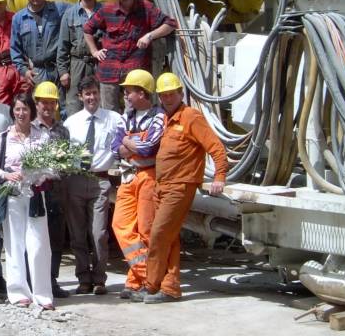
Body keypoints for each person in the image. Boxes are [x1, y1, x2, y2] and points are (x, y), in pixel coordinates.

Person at [133, 72, 228, 304]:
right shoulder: (165, 118)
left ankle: (152, 286)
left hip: (180, 188)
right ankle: (170, 287)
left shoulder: (190, 117)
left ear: (180, 94)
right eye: (163, 95)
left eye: (171, 94)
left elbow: (216, 147)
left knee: (158, 235)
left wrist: (220, 177)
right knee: (170, 238)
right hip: (162, 187)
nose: (167, 98)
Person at [0, 93, 54, 310]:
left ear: (31, 111)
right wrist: (6, 176)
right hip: (13, 195)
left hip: (35, 196)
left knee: (38, 245)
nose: (21, 113)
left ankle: (43, 295)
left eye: (25, 109)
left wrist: (36, 176)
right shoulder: (3, 138)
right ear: (12, 112)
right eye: (17, 109)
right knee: (14, 244)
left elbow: (51, 167)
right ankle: (17, 293)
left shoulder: (42, 137)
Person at [62, 76, 125, 295]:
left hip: (100, 180)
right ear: (80, 97)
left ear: (99, 94)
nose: (92, 97)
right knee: (78, 234)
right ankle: (83, 279)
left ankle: (99, 278)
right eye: (87, 94)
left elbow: (123, 144)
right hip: (76, 180)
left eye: (95, 93)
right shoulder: (71, 123)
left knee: (98, 233)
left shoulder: (114, 119)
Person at [82, 0, 177, 112]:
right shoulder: (107, 10)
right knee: (108, 113)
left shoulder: (146, 8)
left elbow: (170, 24)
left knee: (134, 111)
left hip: (135, 72)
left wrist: (150, 35)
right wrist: (94, 51)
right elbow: (87, 29)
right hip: (109, 71)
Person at [110, 69, 165, 298]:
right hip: (128, 175)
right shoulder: (127, 116)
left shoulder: (159, 116)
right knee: (120, 225)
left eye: (129, 91)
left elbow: (149, 147)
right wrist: (131, 142)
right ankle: (145, 275)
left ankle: (137, 282)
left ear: (142, 93)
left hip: (148, 176)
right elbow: (114, 147)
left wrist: (127, 141)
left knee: (145, 230)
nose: (126, 95)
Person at [31, 81, 71, 299]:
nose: (47, 106)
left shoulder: (62, 131)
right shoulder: (29, 128)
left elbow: (66, 161)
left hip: (56, 190)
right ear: (36, 104)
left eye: (51, 102)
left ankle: (51, 280)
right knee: (35, 236)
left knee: (55, 238)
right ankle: (34, 280)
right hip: (35, 191)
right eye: (43, 102)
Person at [10, 0, 68, 94]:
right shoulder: (19, 18)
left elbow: (81, 8)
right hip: (37, 72)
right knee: (41, 108)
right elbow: (15, 49)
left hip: (58, 70)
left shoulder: (59, 8)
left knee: (63, 109)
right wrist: (24, 71)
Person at [57, 0, 102, 116]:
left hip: (99, 64)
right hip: (77, 65)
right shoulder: (69, 14)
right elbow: (62, 46)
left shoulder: (105, 11)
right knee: (74, 106)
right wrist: (63, 72)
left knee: (99, 103)